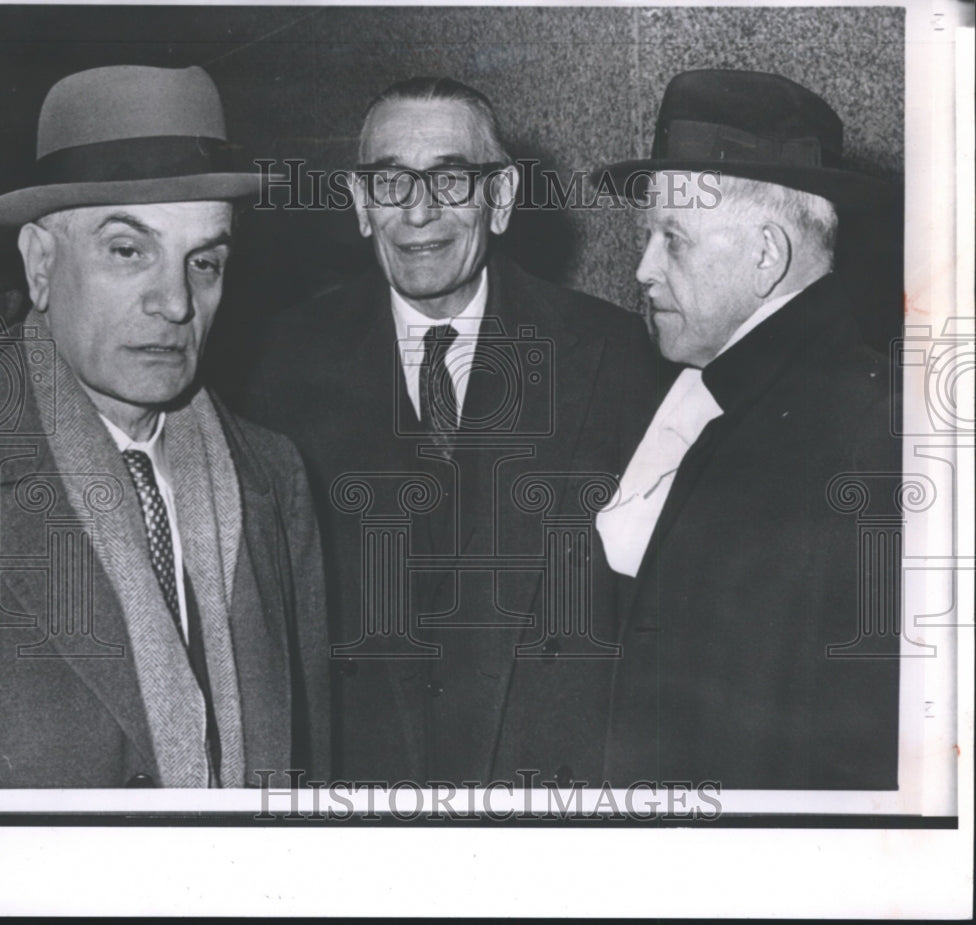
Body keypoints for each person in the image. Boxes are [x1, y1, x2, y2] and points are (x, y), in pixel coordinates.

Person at [243, 76, 659, 786]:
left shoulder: (617, 360)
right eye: (390, 182)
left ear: (500, 200)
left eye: (450, 179)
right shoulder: (275, 368)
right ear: (359, 204)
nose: (419, 212)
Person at [0, 65, 329, 788]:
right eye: (129, 250)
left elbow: (310, 780)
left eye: (205, 261)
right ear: (40, 263)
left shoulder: (273, 478)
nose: (174, 302)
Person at [594, 69, 901, 789]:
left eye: (674, 239)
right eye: (648, 237)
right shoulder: (702, 394)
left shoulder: (875, 436)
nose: (642, 268)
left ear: (767, 255)